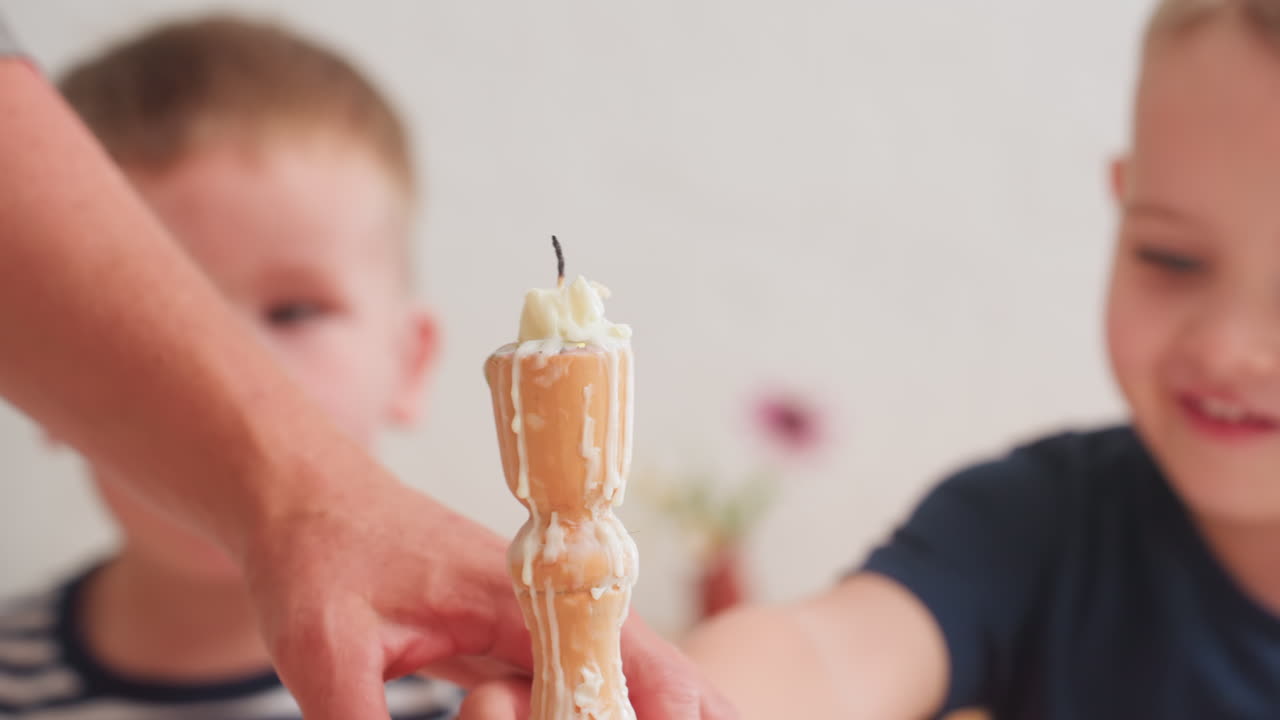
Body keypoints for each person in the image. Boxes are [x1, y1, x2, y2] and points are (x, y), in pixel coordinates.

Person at [461, 1, 1280, 718]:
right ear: (1122, 197)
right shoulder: (1032, 527)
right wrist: (668, 698)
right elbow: (829, 657)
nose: (1227, 347)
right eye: (1170, 258)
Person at [0, 13, 734, 720]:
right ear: (50, 372)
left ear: (410, 363)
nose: (241, 369)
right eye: (161, 321)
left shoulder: (500, 689)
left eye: (294, 311)